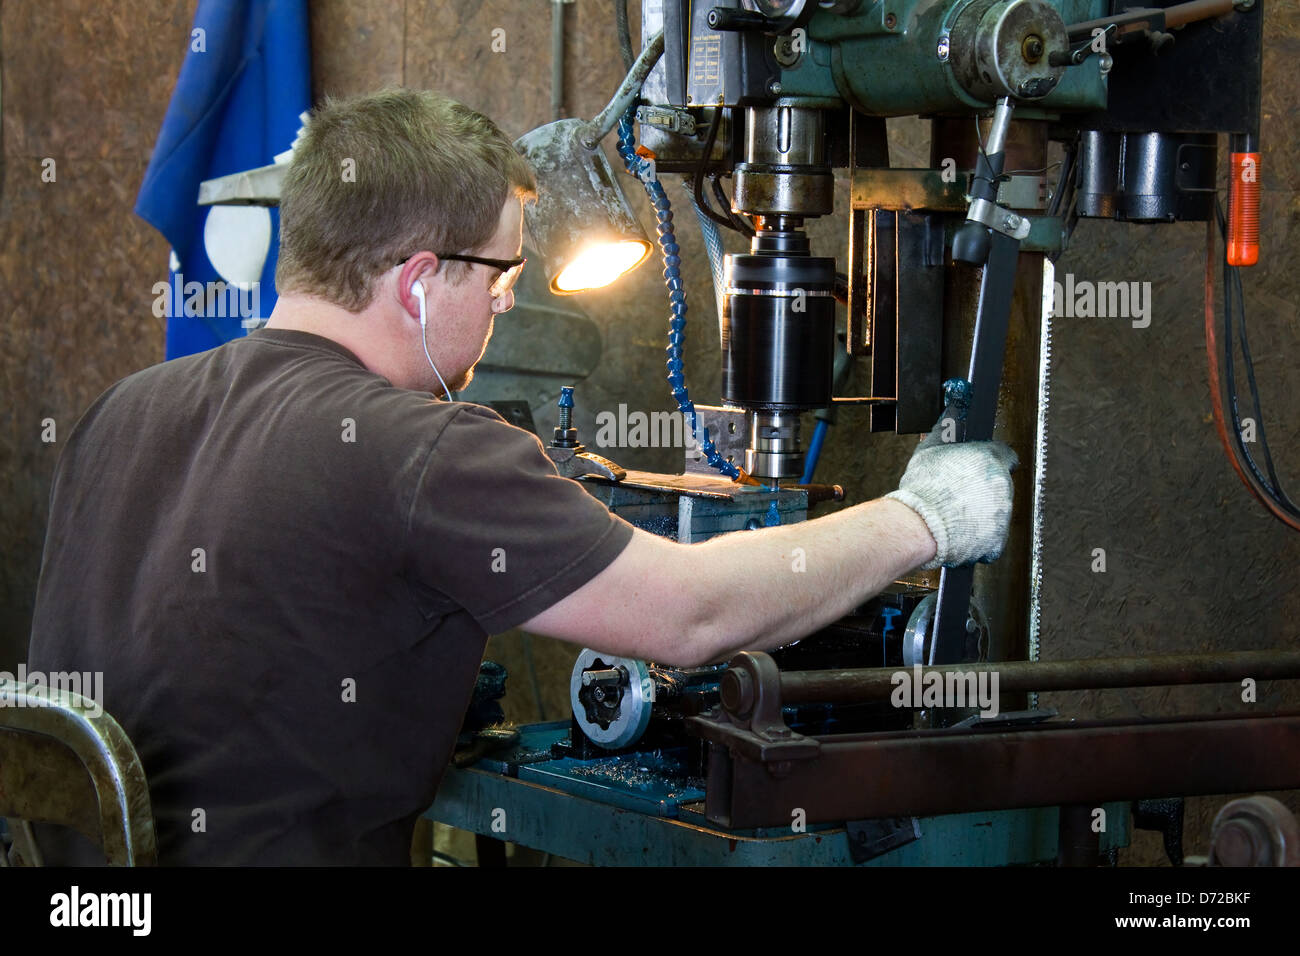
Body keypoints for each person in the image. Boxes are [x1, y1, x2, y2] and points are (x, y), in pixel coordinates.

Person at [27, 88, 1015, 865]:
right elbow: (688, 615)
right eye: (499, 279)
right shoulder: (421, 445)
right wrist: (923, 516)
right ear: (420, 280)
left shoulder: (124, 407)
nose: (501, 309)